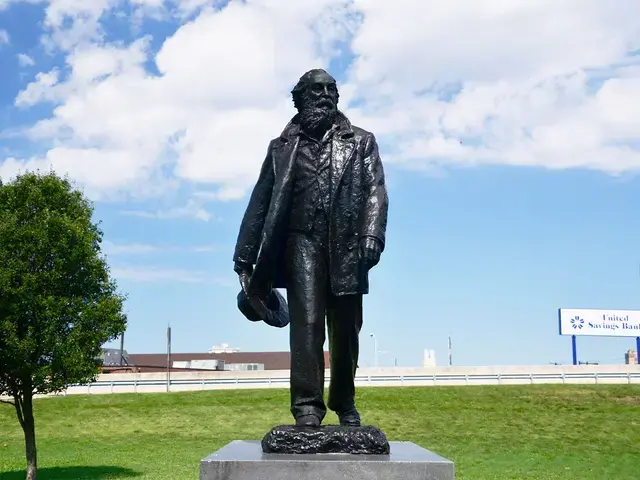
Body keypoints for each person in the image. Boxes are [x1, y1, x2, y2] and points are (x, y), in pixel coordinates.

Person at [233, 68, 388, 427]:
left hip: (347, 245)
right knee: (306, 325)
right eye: (316, 89)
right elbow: (260, 202)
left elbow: (376, 191)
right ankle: (306, 406)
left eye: (330, 89)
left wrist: (372, 234)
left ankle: (344, 400)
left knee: (346, 330)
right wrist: (244, 257)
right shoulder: (282, 148)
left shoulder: (361, 141)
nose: (325, 94)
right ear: (299, 98)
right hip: (301, 242)